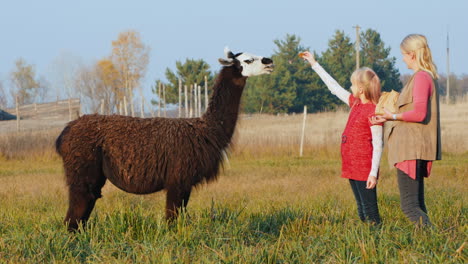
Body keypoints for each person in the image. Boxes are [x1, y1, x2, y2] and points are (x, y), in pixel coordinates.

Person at [301, 51, 383, 225]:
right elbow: (334, 87)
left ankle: (378, 241)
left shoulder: (374, 111)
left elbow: (378, 144)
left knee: (370, 212)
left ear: (361, 89)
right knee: (361, 209)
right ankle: (368, 241)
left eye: (353, 85)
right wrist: (315, 64)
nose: (350, 88)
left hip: (364, 168)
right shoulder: (355, 103)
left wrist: (373, 174)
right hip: (352, 165)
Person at [370, 34, 441, 227]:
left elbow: (418, 113)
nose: (402, 59)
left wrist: (391, 117)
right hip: (414, 148)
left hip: (411, 149)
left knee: (409, 206)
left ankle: (434, 240)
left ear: (411, 54)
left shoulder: (421, 78)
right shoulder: (423, 77)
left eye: (403, 54)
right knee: (417, 205)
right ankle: (427, 245)